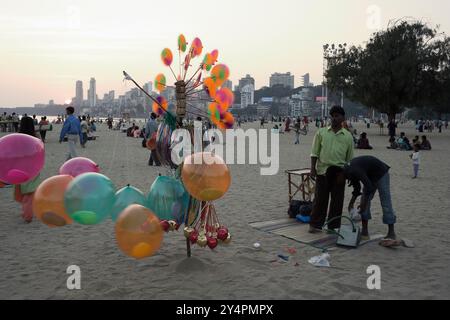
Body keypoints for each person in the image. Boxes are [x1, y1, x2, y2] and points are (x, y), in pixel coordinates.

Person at [309, 106, 354, 233]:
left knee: (337, 201)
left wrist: (346, 174)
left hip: (339, 173)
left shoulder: (348, 136)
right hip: (322, 171)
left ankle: (333, 226)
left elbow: (349, 158)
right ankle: (315, 224)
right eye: (332, 116)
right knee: (320, 199)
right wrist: (313, 168)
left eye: (337, 116)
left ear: (343, 118)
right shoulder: (321, 132)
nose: (334, 118)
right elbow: (314, 153)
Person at [345, 156, 397, 240]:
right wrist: (351, 204)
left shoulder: (353, 170)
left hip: (381, 173)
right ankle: (365, 231)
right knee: (364, 201)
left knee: (385, 201)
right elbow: (357, 189)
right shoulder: (347, 172)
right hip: (370, 176)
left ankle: (391, 232)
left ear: (338, 174)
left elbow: (369, 188)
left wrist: (363, 204)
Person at [15, 116, 42, 223]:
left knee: (23, 190)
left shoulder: (17, 137)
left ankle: (27, 213)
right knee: (30, 191)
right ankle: (28, 212)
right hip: (33, 166)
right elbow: (40, 151)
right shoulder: (36, 137)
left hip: (20, 166)